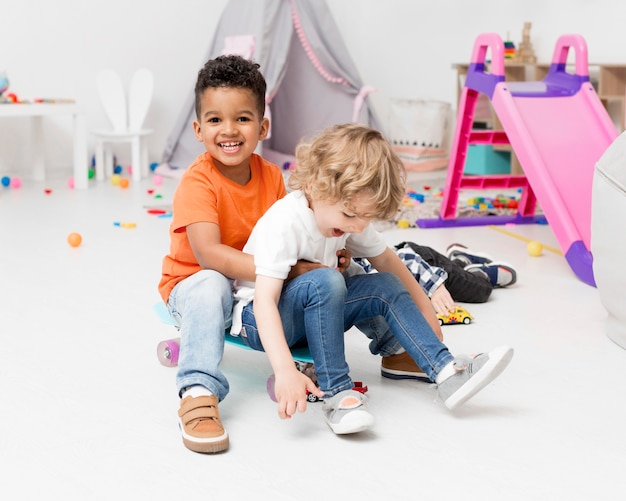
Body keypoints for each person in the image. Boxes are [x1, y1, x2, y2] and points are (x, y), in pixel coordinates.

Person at [234, 123, 514, 436]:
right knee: (327, 280)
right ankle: (337, 394)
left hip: (311, 313)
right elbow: (264, 301)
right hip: (260, 322)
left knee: (384, 285)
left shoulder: (346, 215)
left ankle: (446, 371)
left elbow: (388, 262)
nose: (357, 227)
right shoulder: (286, 222)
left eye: (365, 218)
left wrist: (426, 312)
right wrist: (284, 369)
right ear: (314, 186)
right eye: (350, 216)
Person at [158, 55, 352, 454]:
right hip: (195, 286)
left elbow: (294, 235)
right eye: (214, 120)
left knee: (326, 278)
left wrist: (329, 251)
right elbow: (210, 255)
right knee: (212, 284)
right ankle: (197, 390)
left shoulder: (270, 176)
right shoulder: (197, 183)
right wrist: (289, 269)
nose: (229, 130)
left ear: (263, 126)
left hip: (249, 290)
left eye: (242, 119)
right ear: (198, 129)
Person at [354, 241, 517, 317]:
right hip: (415, 276)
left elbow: (404, 259)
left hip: (423, 263)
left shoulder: (355, 259)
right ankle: (458, 260)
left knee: (480, 290)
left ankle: (480, 272)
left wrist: (436, 286)